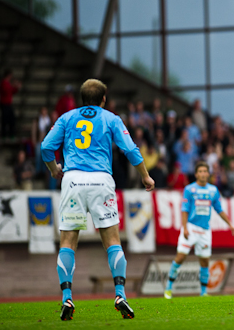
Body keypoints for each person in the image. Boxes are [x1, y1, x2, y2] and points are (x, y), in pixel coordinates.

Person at [41, 79, 155, 321]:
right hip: (101, 181)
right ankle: (120, 294)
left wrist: (53, 169)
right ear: (104, 99)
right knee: (112, 239)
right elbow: (131, 150)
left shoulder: (67, 117)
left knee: (68, 241)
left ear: (81, 98)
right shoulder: (111, 118)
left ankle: (67, 297)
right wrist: (145, 176)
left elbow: (45, 147)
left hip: (72, 180)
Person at [164, 162, 234, 299]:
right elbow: (184, 209)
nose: (203, 174)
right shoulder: (190, 189)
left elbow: (219, 209)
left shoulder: (213, 190)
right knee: (180, 257)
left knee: (204, 261)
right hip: (190, 228)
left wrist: (230, 224)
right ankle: (168, 288)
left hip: (205, 231)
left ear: (208, 174)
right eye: (200, 171)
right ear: (196, 174)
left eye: (205, 171)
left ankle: (203, 292)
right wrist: (185, 227)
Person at [0, 69, 21, 139]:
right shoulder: (3, 83)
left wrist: (16, 88)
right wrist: (13, 86)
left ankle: (11, 134)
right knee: (5, 120)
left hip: (9, 104)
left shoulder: (8, 83)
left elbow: (12, 92)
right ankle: (4, 135)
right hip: (4, 104)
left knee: (12, 119)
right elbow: (6, 91)